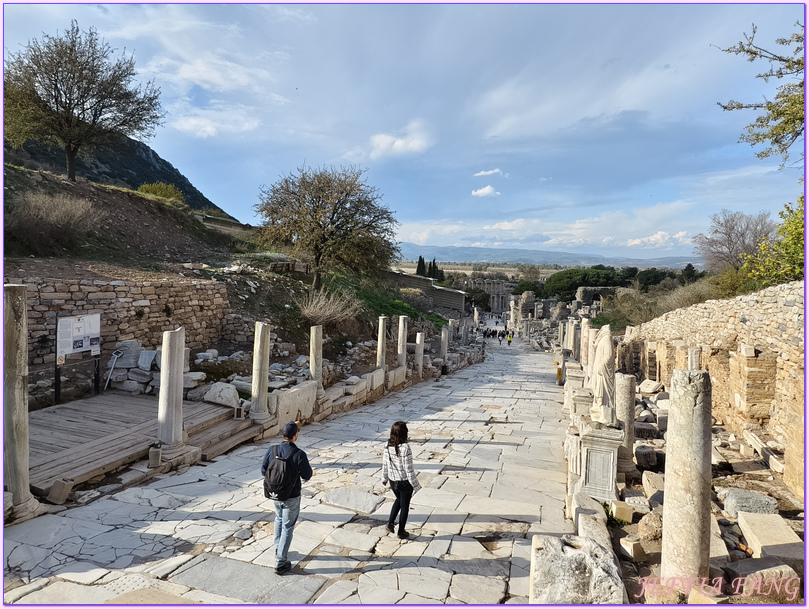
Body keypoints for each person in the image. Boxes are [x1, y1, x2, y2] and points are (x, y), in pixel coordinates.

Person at [260, 420, 313, 575]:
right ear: (295, 435)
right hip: (292, 496)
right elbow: (307, 475)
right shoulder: (299, 454)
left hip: (275, 494)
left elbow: (264, 470)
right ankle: (280, 562)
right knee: (288, 527)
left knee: (278, 519)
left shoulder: (272, 449)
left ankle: (279, 547)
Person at [381, 421, 421, 539]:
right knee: (404, 506)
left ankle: (390, 522)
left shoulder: (387, 445)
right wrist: (416, 486)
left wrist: (384, 478)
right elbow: (409, 470)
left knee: (398, 499)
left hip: (393, 481)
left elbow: (385, 464)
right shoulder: (405, 448)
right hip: (404, 482)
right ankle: (401, 531)